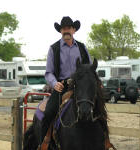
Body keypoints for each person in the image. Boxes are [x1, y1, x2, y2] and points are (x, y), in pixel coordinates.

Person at [40, 16, 91, 145]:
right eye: (63, 28)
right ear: (60, 31)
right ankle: (43, 143)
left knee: (99, 109)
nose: (66, 30)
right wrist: (54, 83)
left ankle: (104, 141)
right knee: (48, 112)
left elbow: (90, 68)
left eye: (69, 28)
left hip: (81, 87)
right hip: (61, 87)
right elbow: (49, 72)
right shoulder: (54, 48)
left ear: (74, 30)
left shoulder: (82, 47)